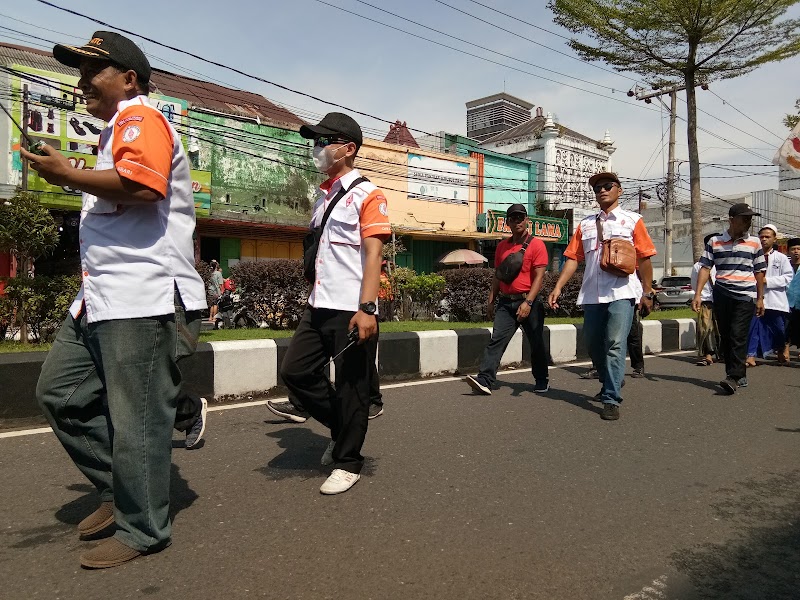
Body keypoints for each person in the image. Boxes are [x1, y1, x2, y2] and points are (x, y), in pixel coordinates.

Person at [22, 32, 207, 568]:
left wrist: (67, 174)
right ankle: (119, 488)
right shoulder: (117, 131)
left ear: (128, 78)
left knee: (139, 419)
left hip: (141, 298)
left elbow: (143, 186)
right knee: (59, 393)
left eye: (91, 72)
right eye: (79, 73)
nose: (81, 84)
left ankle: (143, 527)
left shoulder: (140, 118)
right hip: (99, 297)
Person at [273, 112, 390, 495]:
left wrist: (368, 308)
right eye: (316, 141)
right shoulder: (323, 198)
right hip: (318, 305)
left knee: (353, 387)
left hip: (352, 307)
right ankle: (342, 432)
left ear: (348, 149)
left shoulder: (369, 196)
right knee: (296, 372)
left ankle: (349, 462)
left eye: (324, 142)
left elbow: (373, 256)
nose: (317, 148)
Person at [548, 172, 656, 421]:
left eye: (608, 186)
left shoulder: (633, 220)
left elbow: (645, 257)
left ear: (619, 190)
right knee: (593, 343)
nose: (602, 190)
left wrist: (648, 291)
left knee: (615, 344)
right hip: (592, 294)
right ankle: (613, 379)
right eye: (597, 188)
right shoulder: (585, 224)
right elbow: (573, 258)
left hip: (622, 292)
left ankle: (611, 398)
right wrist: (558, 287)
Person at [465, 203, 550, 395]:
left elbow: (539, 277)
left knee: (535, 342)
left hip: (529, 302)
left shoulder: (537, 245)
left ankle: (542, 379)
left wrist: (528, 302)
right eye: (513, 218)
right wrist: (491, 300)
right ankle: (485, 380)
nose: (517, 221)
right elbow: (498, 275)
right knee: (496, 340)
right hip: (505, 302)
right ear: (508, 223)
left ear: (527, 221)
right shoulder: (502, 246)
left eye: (521, 217)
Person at [692, 203, 766, 394]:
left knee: (737, 334)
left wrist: (760, 298)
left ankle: (733, 377)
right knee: (725, 335)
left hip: (745, 295)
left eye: (750, 218)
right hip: (722, 293)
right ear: (732, 220)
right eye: (745, 218)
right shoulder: (715, 241)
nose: (749, 222)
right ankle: (737, 375)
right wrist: (698, 295)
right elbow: (705, 268)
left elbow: (759, 272)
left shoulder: (755, 243)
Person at [745, 225, 793, 367]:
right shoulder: (752, 255)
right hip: (755, 298)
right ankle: (751, 355)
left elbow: (788, 277)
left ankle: (780, 348)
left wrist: (767, 281)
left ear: (774, 239)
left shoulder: (781, 258)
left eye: (767, 237)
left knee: (778, 329)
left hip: (775, 299)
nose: (764, 239)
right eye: (761, 236)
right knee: (754, 328)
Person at [691, 233, 720, 366]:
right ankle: (706, 355)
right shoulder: (699, 266)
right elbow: (694, 284)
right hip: (706, 300)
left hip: (721, 300)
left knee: (720, 329)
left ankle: (721, 354)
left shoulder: (723, 264)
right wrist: (698, 297)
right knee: (705, 328)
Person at [784, 237, 800, 362]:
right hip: (786, 301)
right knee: (786, 326)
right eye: (793, 249)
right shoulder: (785, 265)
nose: (796, 251)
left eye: (799, 249)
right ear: (788, 251)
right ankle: (785, 349)